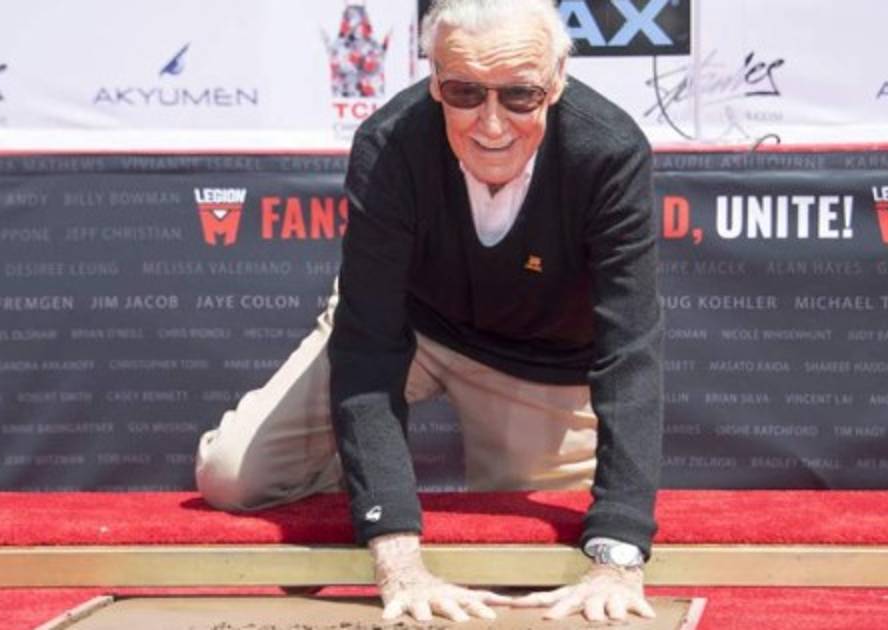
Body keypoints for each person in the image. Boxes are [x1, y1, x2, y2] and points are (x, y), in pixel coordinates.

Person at [195, 0, 663, 622]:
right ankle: (364, 468)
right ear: (434, 81)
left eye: (520, 95)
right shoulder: (390, 142)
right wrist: (396, 557)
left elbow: (629, 349)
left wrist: (619, 557)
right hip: (410, 325)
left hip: (542, 360)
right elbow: (368, 347)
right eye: (465, 92)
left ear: (556, 84)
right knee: (232, 475)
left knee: (525, 556)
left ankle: (370, 464)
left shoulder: (608, 150)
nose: (491, 123)